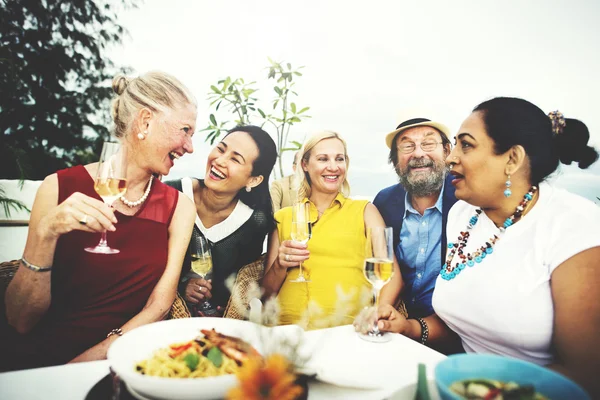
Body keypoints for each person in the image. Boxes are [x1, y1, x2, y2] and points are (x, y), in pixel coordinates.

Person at [365, 97, 600, 396]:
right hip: (456, 380)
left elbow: (586, 374)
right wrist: (408, 328)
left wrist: (481, 391)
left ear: (512, 159)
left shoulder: (573, 223)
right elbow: (461, 329)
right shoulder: (463, 216)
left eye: (466, 145)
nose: (451, 159)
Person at [2, 71, 197, 370]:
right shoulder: (56, 188)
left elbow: (159, 306)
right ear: (145, 122)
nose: (190, 146)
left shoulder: (178, 207)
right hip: (40, 363)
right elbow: (20, 320)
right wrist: (46, 234)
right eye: (185, 130)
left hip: (120, 360)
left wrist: (94, 359)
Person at [262, 131, 403, 328]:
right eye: (322, 159)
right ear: (305, 165)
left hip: (345, 331)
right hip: (285, 332)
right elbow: (265, 294)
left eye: (340, 159)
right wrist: (279, 265)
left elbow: (392, 275)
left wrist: (377, 314)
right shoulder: (285, 217)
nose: (333, 167)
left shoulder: (365, 211)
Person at [166, 126, 277, 316]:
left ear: (253, 180)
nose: (220, 161)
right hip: (165, 320)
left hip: (221, 327)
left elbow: (248, 281)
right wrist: (182, 286)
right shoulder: (173, 194)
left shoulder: (255, 221)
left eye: (235, 159)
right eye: (221, 148)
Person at [374, 117, 457, 318]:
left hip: (454, 327)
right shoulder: (384, 202)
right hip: (397, 321)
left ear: (447, 151)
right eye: (407, 146)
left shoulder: (465, 199)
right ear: (395, 160)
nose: (418, 153)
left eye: (428, 143)